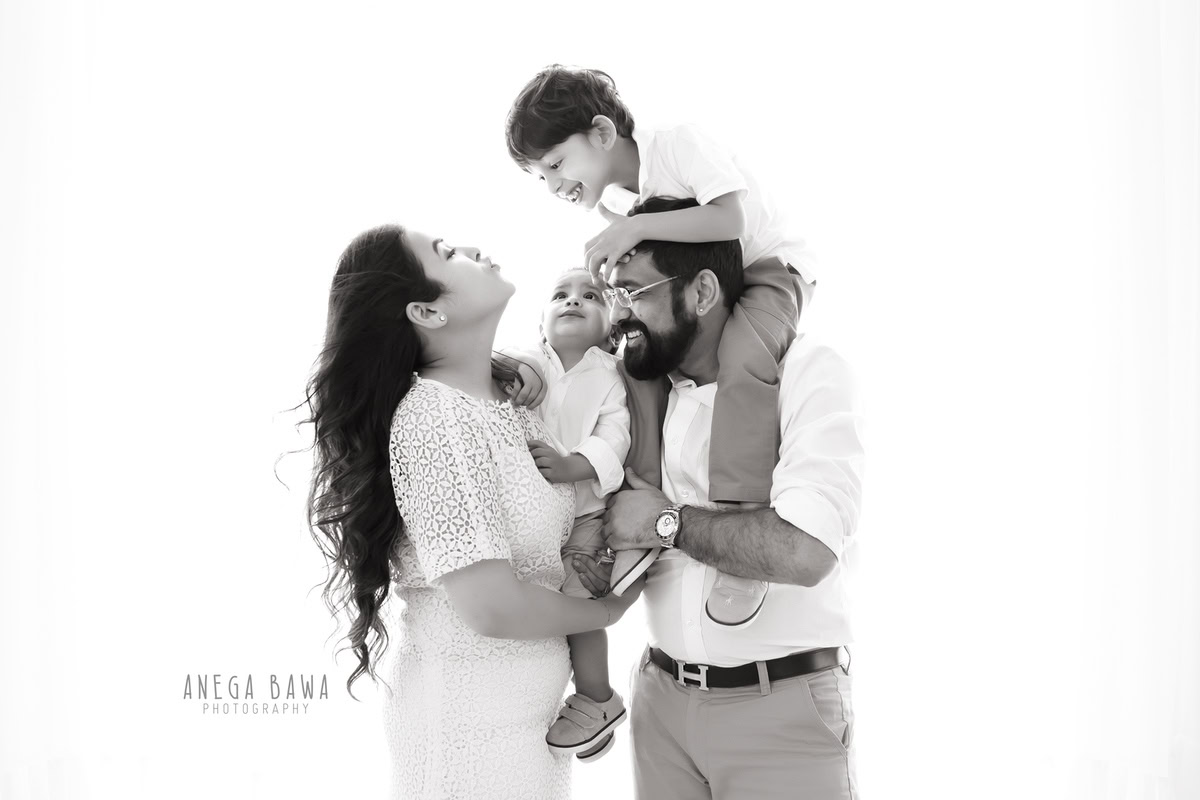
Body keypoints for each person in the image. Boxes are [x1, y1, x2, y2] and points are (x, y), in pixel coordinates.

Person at [304, 225, 642, 799]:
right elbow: (492, 607)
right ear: (427, 312)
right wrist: (610, 611)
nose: (474, 250)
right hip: (466, 731)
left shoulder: (515, 410)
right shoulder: (433, 419)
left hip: (526, 730)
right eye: (447, 254)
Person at [507, 65, 818, 626]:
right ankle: (637, 512)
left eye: (556, 164)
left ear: (602, 133)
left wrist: (628, 232)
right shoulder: (622, 202)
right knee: (635, 369)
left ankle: (737, 516)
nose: (554, 185)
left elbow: (729, 219)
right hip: (705, 291)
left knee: (745, 361)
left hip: (768, 270)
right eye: (540, 177)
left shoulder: (677, 146)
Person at [585, 197, 864, 799]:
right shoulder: (636, 391)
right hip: (660, 707)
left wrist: (666, 523)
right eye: (614, 295)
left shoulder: (807, 371)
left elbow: (807, 551)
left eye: (634, 292)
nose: (619, 314)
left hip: (780, 715)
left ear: (703, 292)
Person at [501, 267, 634, 761]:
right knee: (530, 598)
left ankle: (597, 697)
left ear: (610, 323)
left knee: (579, 608)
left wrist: (571, 466)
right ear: (542, 322)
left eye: (590, 296)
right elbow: (501, 371)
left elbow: (614, 437)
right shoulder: (533, 359)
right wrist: (527, 370)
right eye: (560, 295)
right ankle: (545, 697)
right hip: (530, 513)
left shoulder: (612, 376)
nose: (573, 301)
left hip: (584, 514)